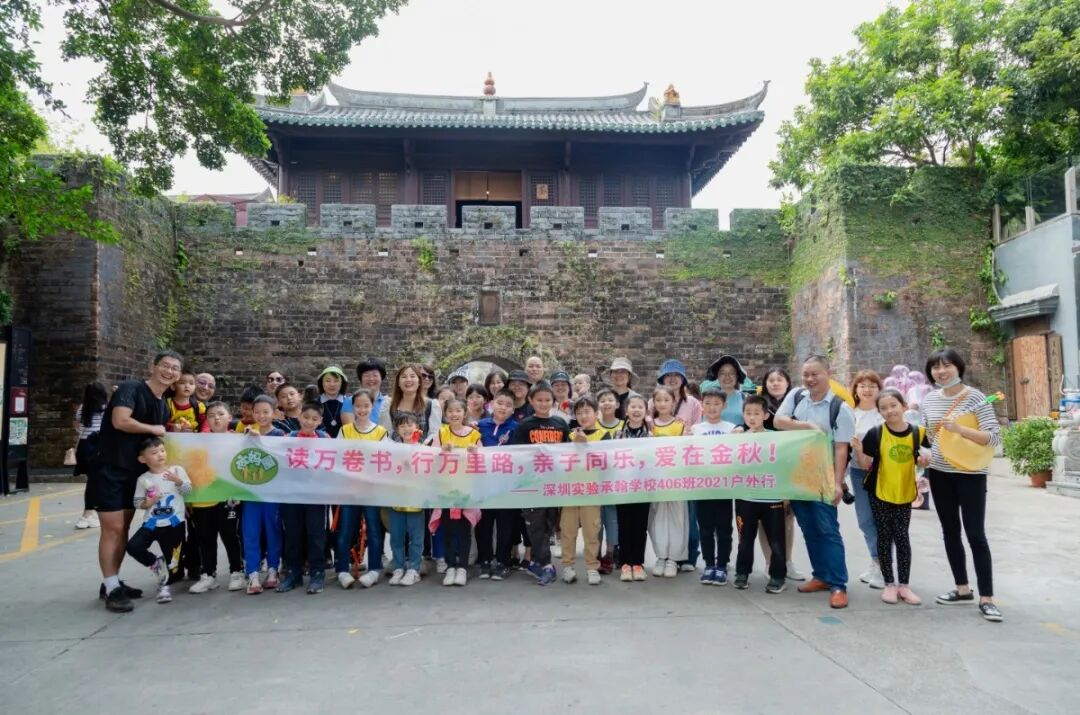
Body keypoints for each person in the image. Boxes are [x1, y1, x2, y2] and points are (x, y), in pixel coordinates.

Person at [89, 350, 178, 613]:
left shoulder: (163, 404)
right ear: (153, 366)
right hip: (110, 470)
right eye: (165, 366)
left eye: (175, 368)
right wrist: (153, 429)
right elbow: (120, 421)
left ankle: (112, 582)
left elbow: (154, 440)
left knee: (124, 528)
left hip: (134, 474)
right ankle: (112, 588)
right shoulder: (131, 389)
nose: (169, 371)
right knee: (113, 529)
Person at [919, 348, 1002, 622]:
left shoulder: (975, 397)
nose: (941, 372)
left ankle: (987, 598)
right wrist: (922, 454)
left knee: (975, 534)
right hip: (939, 472)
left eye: (947, 366)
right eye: (935, 367)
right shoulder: (929, 400)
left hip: (970, 473)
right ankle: (962, 588)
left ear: (958, 368)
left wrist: (960, 429)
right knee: (950, 531)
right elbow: (927, 438)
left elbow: (993, 437)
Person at [774, 354, 856, 609]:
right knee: (808, 528)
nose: (809, 379)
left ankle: (838, 584)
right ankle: (820, 575)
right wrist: (808, 426)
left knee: (827, 530)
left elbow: (841, 449)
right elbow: (778, 421)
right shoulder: (797, 396)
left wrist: (837, 483)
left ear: (828, 373)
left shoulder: (840, 408)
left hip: (824, 477)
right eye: (806, 375)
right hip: (798, 476)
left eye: (815, 374)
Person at [852, 389, 930, 606]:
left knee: (902, 537)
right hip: (880, 492)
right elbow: (865, 464)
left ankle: (904, 585)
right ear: (879, 412)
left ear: (904, 406)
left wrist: (924, 461)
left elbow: (925, 457)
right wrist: (858, 449)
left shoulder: (918, 432)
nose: (889, 411)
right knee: (884, 537)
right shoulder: (875, 433)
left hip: (904, 492)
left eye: (893, 405)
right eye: (884, 408)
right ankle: (889, 584)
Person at [508, 381, 569, 586]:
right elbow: (516, 454)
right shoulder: (525, 425)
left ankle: (536, 562)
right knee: (535, 524)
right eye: (539, 400)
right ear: (531, 401)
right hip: (532, 484)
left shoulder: (560, 423)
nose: (543, 404)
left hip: (553, 483)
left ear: (553, 401)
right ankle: (546, 564)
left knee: (549, 524)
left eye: (547, 400)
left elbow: (568, 452)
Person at [125, 437, 192, 604]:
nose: (160, 455)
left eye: (162, 450)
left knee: (175, 567)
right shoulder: (143, 479)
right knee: (133, 546)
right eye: (154, 453)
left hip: (175, 523)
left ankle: (171, 572)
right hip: (152, 522)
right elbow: (137, 502)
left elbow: (188, 491)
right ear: (143, 459)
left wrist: (178, 481)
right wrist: (149, 502)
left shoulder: (177, 470)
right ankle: (158, 566)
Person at [733, 395, 787, 593]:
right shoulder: (737, 439)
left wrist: (786, 494)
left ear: (765, 415)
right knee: (745, 539)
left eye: (756, 413)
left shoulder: (776, 438)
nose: (752, 417)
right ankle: (742, 573)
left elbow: (784, 466)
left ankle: (778, 576)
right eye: (748, 413)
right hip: (745, 497)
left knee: (776, 540)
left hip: (772, 497)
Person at [188, 401, 244, 593]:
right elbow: (190, 469)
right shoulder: (197, 442)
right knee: (205, 538)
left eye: (220, 414)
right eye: (211, 415)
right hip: (203, 499)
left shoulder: (238, 440)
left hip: (228, 498)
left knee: (230, 536)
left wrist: (238, 492)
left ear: (230, 417)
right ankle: (209, 575)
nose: (216, 418)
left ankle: (237, 572)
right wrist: (188, 498)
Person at [653, 359, 703, 573]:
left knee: (687, 514)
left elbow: (698, 432)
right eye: (668, 376)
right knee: (661, 515)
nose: (672, 379)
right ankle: (664, 555)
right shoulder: (653, 402)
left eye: (676, 375)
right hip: (660, 468)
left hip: (685, 466)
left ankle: (689, 556)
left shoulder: (693, 404)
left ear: (683, 379)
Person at [757, 366, 806, 581]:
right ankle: (770, 562)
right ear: (765, 384)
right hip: (764, 468)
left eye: (780, 379)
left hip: (790, 468)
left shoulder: (799, 404)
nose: (775, 383)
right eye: (771, 380)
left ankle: (787, 561)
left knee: (787, 518)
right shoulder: (759, 406)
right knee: (764, 519)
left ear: (788, 383)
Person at [337, 389, 390, 589]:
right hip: (349, 490)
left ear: (372, 406)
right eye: (358, 406)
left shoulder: (380, 432)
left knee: (374, 531)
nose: (362, 409)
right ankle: (342, 569)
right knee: (345, 531)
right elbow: (337, 457)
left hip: (371, 491)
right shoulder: (345, 431)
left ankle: (375, 569)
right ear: (353, 407)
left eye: (366, 405)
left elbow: (385, 460)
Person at [277, 403, 331, 594]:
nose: (309, 422)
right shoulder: (288, 438)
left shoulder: (325, 439)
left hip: (316, 497)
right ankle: (293, 574)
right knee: (293, 535)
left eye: (314, 419)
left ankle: (317, 573)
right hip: (292, 496)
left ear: (320, 421)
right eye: (306, 417)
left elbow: (334, 464)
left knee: (316, 535)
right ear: (299, 416)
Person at [431, 398, 481, 586]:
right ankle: (451, 565)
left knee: (464, 530)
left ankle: (462, 568)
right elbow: (431, 457)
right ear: (445, 414)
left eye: (458, 410)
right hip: (446, 490)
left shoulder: (473, 434)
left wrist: (475, 452)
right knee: (448, 529)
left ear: (464, 413)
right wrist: (441, 451)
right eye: (450, 411)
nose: (454, 414)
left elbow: (484, 459)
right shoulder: (441, 433)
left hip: (466, 490)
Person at [560, 396, 608, 585]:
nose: (583, 416)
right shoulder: (570, 435)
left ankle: (592, 567)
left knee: (591, 531)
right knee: (568, 529)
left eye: (587, 412)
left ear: (596, 413)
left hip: (592, 491)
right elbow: (562, 461)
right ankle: (568, 566)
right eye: (579, 413)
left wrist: (585, 445)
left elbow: (605, 462)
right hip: (571, 490)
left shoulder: (604, 435)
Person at [241, 395, 286, 594]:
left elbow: (282, 461)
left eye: (266, 412)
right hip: (251, 493)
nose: (261, 416)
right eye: (257, 412)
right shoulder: (246, 434)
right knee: (250, 532)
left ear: (274, 413)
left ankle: (273, 569)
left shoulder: (280, 435)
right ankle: (252, 573)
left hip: (273, 494)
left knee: (273, 530)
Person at [691, 387, 736, 585]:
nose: (712, 407)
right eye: (707, 403)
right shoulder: (695, 429)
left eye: (716, 403)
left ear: (724, 406)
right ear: (702, 405)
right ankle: (709, 564)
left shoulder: (732, 429)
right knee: (705, 528)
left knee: (724, 528)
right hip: (702, 486)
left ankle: (722, 565)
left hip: (724, 487)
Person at [475, 389, 519, 580]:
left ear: (513, 409)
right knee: (484, 524)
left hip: (506, 486)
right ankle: (485, 560)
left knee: (505, 525)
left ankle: (503, 561)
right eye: (500, 403)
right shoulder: (479, 426)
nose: (503, 407)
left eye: (508, 405)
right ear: (492, 404)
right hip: (483, 485)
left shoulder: (517, 428)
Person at [849, 370, 886, 589]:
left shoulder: (883, 413)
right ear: (855, 390)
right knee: (865, 520)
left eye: (872, 385)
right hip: (857, 472)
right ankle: (876, 561)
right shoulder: (850, 413)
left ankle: (883, 566)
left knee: (881, 519)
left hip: (882, 472)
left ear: (879, 389)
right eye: (862, 385)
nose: (867, 389)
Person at [647, 385, 688, 578]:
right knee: (658, 519)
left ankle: (674, 558)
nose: (662, 404)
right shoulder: (650, 426)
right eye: (658, 400)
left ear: (673, 402)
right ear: (653, 403)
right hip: (656, 480)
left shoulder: (681, 425)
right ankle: (661, 556)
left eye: (666, 400)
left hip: (676, 479)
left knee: (677, 518)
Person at [616, 394, 652, 582]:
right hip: (622, 487)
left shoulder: (651, 435)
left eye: (640, 407)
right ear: (626, 410)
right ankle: (625, 563)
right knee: (624, 525)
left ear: (646, 411)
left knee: (640, 526)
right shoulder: (617, 434)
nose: (636, 410)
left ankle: (638, 563)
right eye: (633, 407)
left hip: (644, 487)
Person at [388, 412, 424, 587]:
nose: (406, 429)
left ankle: (414, 569)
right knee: (396, 536)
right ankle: (398, 567)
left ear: (417, 427)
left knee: (416, 537)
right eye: (402, 426)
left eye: (410, 425)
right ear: (396, 430)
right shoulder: (392, 449)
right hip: (396, 499)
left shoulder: (424, 449)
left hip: (416, 500)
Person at [595, 388, 623, 573]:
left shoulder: (624, 425)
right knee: (596, 519)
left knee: (612, 518)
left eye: (610, 400)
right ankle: (595, 553)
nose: (606, 403)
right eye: (603, 400)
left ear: (618, 404)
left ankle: (611, 553)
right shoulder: (592, 425)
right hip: (596, 480)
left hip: (616, 481)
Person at [73, 382, 108, 530]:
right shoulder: (105, 408)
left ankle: (91, 514)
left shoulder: (82, 408)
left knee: (93, 481)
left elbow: (77, 426)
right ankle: (86, 515)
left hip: (84, 446)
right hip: (97, 445)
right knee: (95, 482)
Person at [390, 364, 441, 440]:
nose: (408, 380)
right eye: (404, 377)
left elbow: (434, 434)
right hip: (395, 447)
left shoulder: (431, 405)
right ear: (398, 383)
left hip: (423, 447)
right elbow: (387, 433)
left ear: (419, 381)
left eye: (412, 376)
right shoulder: (390, 405)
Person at [701, 354, 747, 425]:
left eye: (732, 373)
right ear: (718, 376)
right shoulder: (709, 399)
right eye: (722, 373)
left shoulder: (745, 398)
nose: (727, 377)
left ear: (737, 376)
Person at [316, 366, 353, 438]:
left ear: (342, 383)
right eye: (328, 381)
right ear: (321, 383)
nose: (332, 384)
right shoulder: (314, 404)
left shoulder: (348, 403)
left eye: (336, 381)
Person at [356, 358, 391, 428]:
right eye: (367, 375)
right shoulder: (350, 401)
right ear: (361, 378)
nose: (371, 379)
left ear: (381, 377)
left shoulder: (390, 403)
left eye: (375, 375)